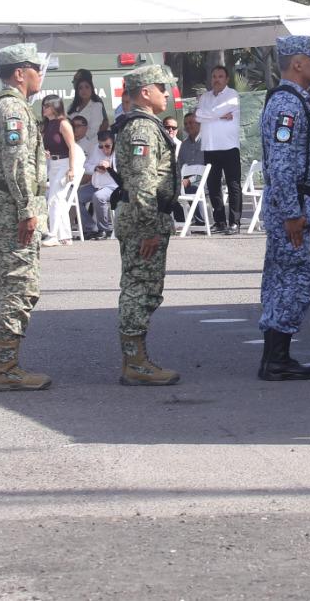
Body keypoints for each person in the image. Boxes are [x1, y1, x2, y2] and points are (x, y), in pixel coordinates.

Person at [0, 43, 52, 392]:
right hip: (12, 211)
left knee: (5, 286)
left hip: (2, 207)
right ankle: (6, 368)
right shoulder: (13, 109)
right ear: (20, 73)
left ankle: (4, 362)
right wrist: (26, 209)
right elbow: (17, 162)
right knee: (19, 287)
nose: (41, 75)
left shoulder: (4, 106)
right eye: (37, 69)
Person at [256, 35, 310, 381]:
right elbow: (282, 163)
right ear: (297, 63)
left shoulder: (293, 101)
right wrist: (292, 214)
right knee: (294, 283)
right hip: (292, 205)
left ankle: (275, 357)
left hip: (293, 203)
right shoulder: (288, 105)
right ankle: (277, 360)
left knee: (281, 281)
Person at [111, 64, 183, 385]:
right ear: (145, 92)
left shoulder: (146, 125)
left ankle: (137, 359)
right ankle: (135, 363)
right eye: (161, 88)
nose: (167, 94)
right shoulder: (142, 128)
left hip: (145, 217)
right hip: (143, 221)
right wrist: (150, 228)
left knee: (145, 288)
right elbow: (142, 183)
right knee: (139, 288)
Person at [197, 65, 243, 234]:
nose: (217, 79)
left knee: (233, 185)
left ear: (227, 79)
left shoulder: (232, 95)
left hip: (229, 146)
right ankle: (220, 222)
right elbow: (198, 116)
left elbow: (208, 113)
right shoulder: (205, 97)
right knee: (213, 185)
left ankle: (235, 222)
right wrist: (219, 115)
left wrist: (209, 115)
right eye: (214, 76)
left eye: (220, 76)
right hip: (210, 146)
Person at [40, 95, 79, 246]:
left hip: (64, 164)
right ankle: (65, 236)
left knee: (54, 199)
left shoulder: (63, 123)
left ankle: (53, 235)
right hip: (53, 163)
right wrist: (45, 153)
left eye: (47, 106)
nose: (44, 109)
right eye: (43, 106)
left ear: (55, 107)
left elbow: (72, 147)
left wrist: (71, 169)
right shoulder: (48, 125)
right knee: (59, 200)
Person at [83, 131, 119, 239]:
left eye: (107, 146)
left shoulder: (120, 150)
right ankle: (91, 228)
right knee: (77, 197)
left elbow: (125, 171)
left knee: (98, 197)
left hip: (113, 186)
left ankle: (105, 229)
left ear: (114, 143)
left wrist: (109, 167)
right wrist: (95, 167)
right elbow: (86, 165)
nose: (104, 149)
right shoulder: (95, 149)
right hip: (96, 185)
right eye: (101, 146)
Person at [68, 68, 110, 135]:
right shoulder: (73, 104)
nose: (74, 82)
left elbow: (105, 122)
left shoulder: (96, 101)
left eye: (75, 80)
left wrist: (98, 136)